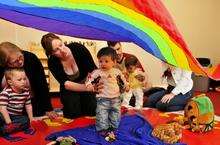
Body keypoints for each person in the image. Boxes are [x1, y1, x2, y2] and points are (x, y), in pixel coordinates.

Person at [41, 33, 97, 119]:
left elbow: (94, 70)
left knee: (92, 111)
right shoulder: (52, 62)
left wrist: (91, 84)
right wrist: (86, 88)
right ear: (51, 53)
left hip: (87, 82)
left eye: (61, 45)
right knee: (72, 113)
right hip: (70, 88)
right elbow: (66, 84)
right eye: (56, 50)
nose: (62, 50)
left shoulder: (78, 48)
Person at [0, 42, 57, 118]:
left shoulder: (31, 58)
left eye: (20, 57)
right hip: (8, 104)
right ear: (7, 64)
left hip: (30, 101)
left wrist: (48, 108)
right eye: (15, 61)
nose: (20, 61)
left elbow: (42, 84)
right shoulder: (2, 67)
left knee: (37, 113)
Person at [85, 47, 129, 139]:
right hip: (102, 98)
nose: (103, 64)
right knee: (102, 113)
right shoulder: (97, 72)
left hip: (116, 98)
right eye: (100, 61)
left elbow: (123, 80)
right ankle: (102, 128)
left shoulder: (117, 71)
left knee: (116, 113)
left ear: (114, 62)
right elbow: (90, 79)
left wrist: (126, 85)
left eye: (106, 61)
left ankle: (114, 127)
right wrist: (89, 85)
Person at [0, 68, 35, 141]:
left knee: (26, 121)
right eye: (19, 80)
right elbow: (2, 108)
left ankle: (5, 129)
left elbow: (28, 106)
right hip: (4, 114)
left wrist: (31, 118)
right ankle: (7, 127)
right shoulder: (6, 93)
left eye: (24, 79)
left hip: (16, 116)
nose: (23, 82)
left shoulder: (26, 92)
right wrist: (8, 120)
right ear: (10, 82)